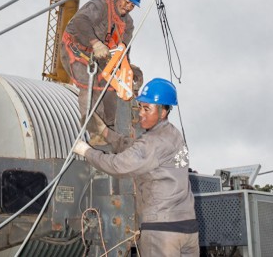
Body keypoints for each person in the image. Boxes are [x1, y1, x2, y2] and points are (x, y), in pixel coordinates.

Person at [72, 78, 199, 257]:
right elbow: (137, 149)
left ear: (163, 112)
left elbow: (118, 165)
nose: (140, 113)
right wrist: (106, 133)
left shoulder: (153, 142)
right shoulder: (173, 135)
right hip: (187, 229)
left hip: (162, 232)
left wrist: (87, 152)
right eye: (140, 107)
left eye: (147, 109)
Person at [59, 0, 144, 139]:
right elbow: (80, 21)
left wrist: (125, 71)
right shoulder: (99, 6)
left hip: (100, 57)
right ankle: (96, 134)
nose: (128, 7)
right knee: (91, 87)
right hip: (75, 50)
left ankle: (111, 134)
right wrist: (96, 43)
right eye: (126, 2)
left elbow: (123, 50)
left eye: (132, 5)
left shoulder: (128, 24)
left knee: (112, 89)